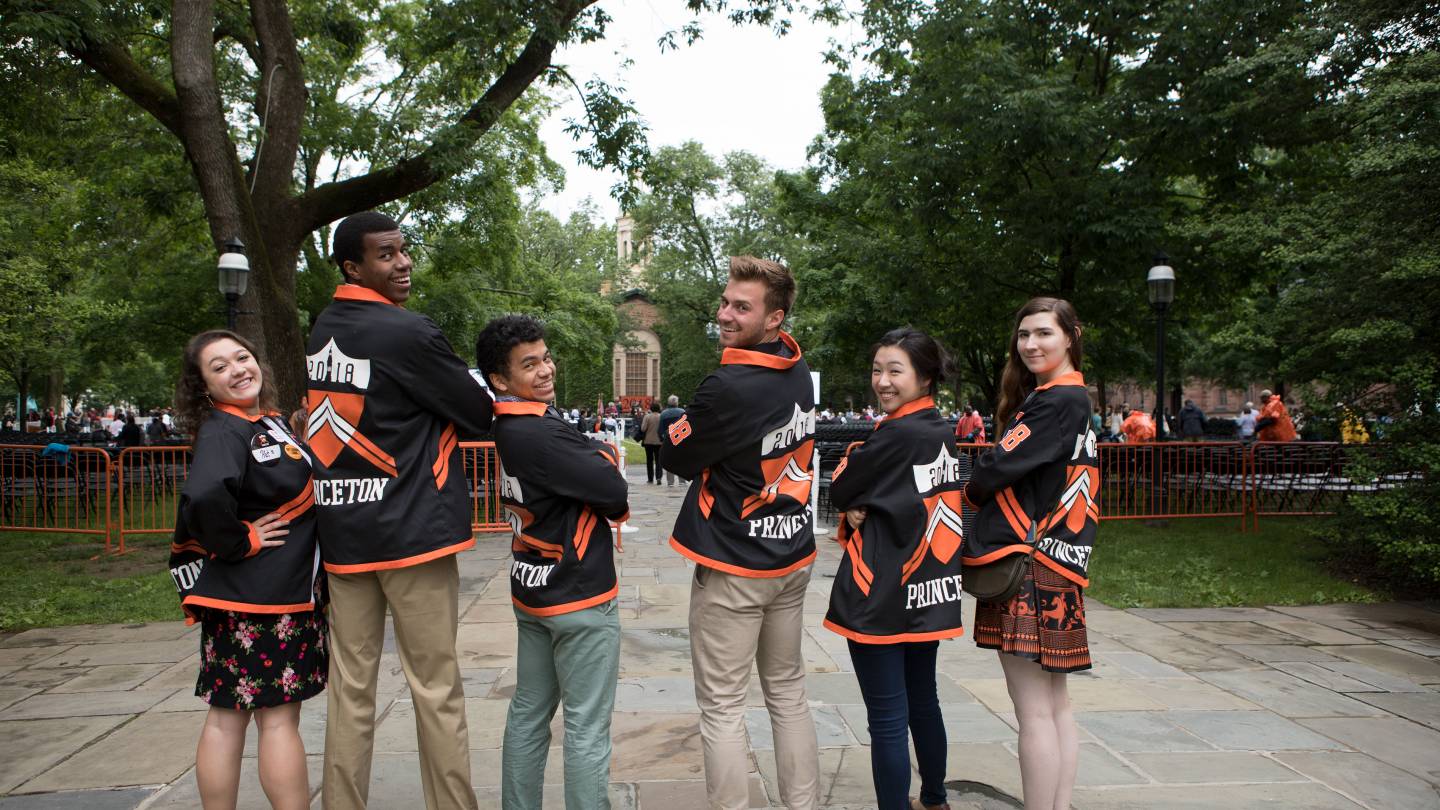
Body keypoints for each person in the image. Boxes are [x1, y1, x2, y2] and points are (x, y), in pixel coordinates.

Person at [307, 211, 493, 810]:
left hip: (343, 532)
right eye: (386, 254)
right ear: (353, 266)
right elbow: (476, 410)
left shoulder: (323, 330)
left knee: (350, 688)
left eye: (404, 250)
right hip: (413, 533)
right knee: (436, 687)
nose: (403, 261)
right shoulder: (407, 332)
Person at [660, 256, 820, 809]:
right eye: (726, 301)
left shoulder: (728, 384)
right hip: (792, 554)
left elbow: (678, 454)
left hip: (735, 564)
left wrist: (680, 432)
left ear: (775, 319)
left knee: (723, 707)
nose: (725, 314)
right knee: (788, 695)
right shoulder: (797, 370)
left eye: (741, 307)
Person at [168, 330, 327, 810]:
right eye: (219, 367)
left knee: (228, 718)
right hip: (265, 599)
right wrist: (243, 540)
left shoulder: (266, 423)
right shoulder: (224, 428)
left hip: (265, 594)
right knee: (269, 722)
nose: (238, 369)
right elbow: (203, 496)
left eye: (242, 357)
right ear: (203, 387)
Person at [477, 315, 628, 810]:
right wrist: (602, 453)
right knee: (586, 725)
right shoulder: (539, 432)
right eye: (529, 364)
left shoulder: (510, 425)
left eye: (545, 357)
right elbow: (611, 488)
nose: (546, 369)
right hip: (579, 595)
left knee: (527, 712)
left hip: (533, 590)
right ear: (500, 380)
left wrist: (593, 452)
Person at [961, 297, 1098, 810]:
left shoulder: (1054, 401)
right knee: (1056, 707)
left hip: (1028, 563)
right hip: (1058, 562)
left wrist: (970, 494)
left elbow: (996, 467)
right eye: (1024, 335)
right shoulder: (1075, 398)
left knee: (1034, 712)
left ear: (1071, 336)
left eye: (1043, 333)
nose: (1031, 344)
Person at [824, 328, 968, 810]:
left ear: (925, 377)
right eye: (877, 370)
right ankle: (935, 797)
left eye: (895, 371)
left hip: (881, 590)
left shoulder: (897, 433)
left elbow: (841, 489)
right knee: (923, 700)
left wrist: (851, 486)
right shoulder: (938, 428)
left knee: (887, 717)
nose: (882, 381)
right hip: (927, 586)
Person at [657, 395, 686, 487]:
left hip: (668, 439)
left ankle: (670, 482)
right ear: (677, 403)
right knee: (681, 460)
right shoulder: (683, 412)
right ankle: (682, 480)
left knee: (669, 460)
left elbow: (660, 430)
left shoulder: (664, 414)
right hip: (681, 439)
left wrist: (662, 439)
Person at [640, 401, 663, 484]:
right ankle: (659, 477)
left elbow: (643, 429)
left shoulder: (647, 417)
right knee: (658, 460)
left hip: (648, 441)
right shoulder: (661, 416)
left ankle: (650, 478)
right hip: (659, 441)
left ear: (651, 408)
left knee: (649, 460)